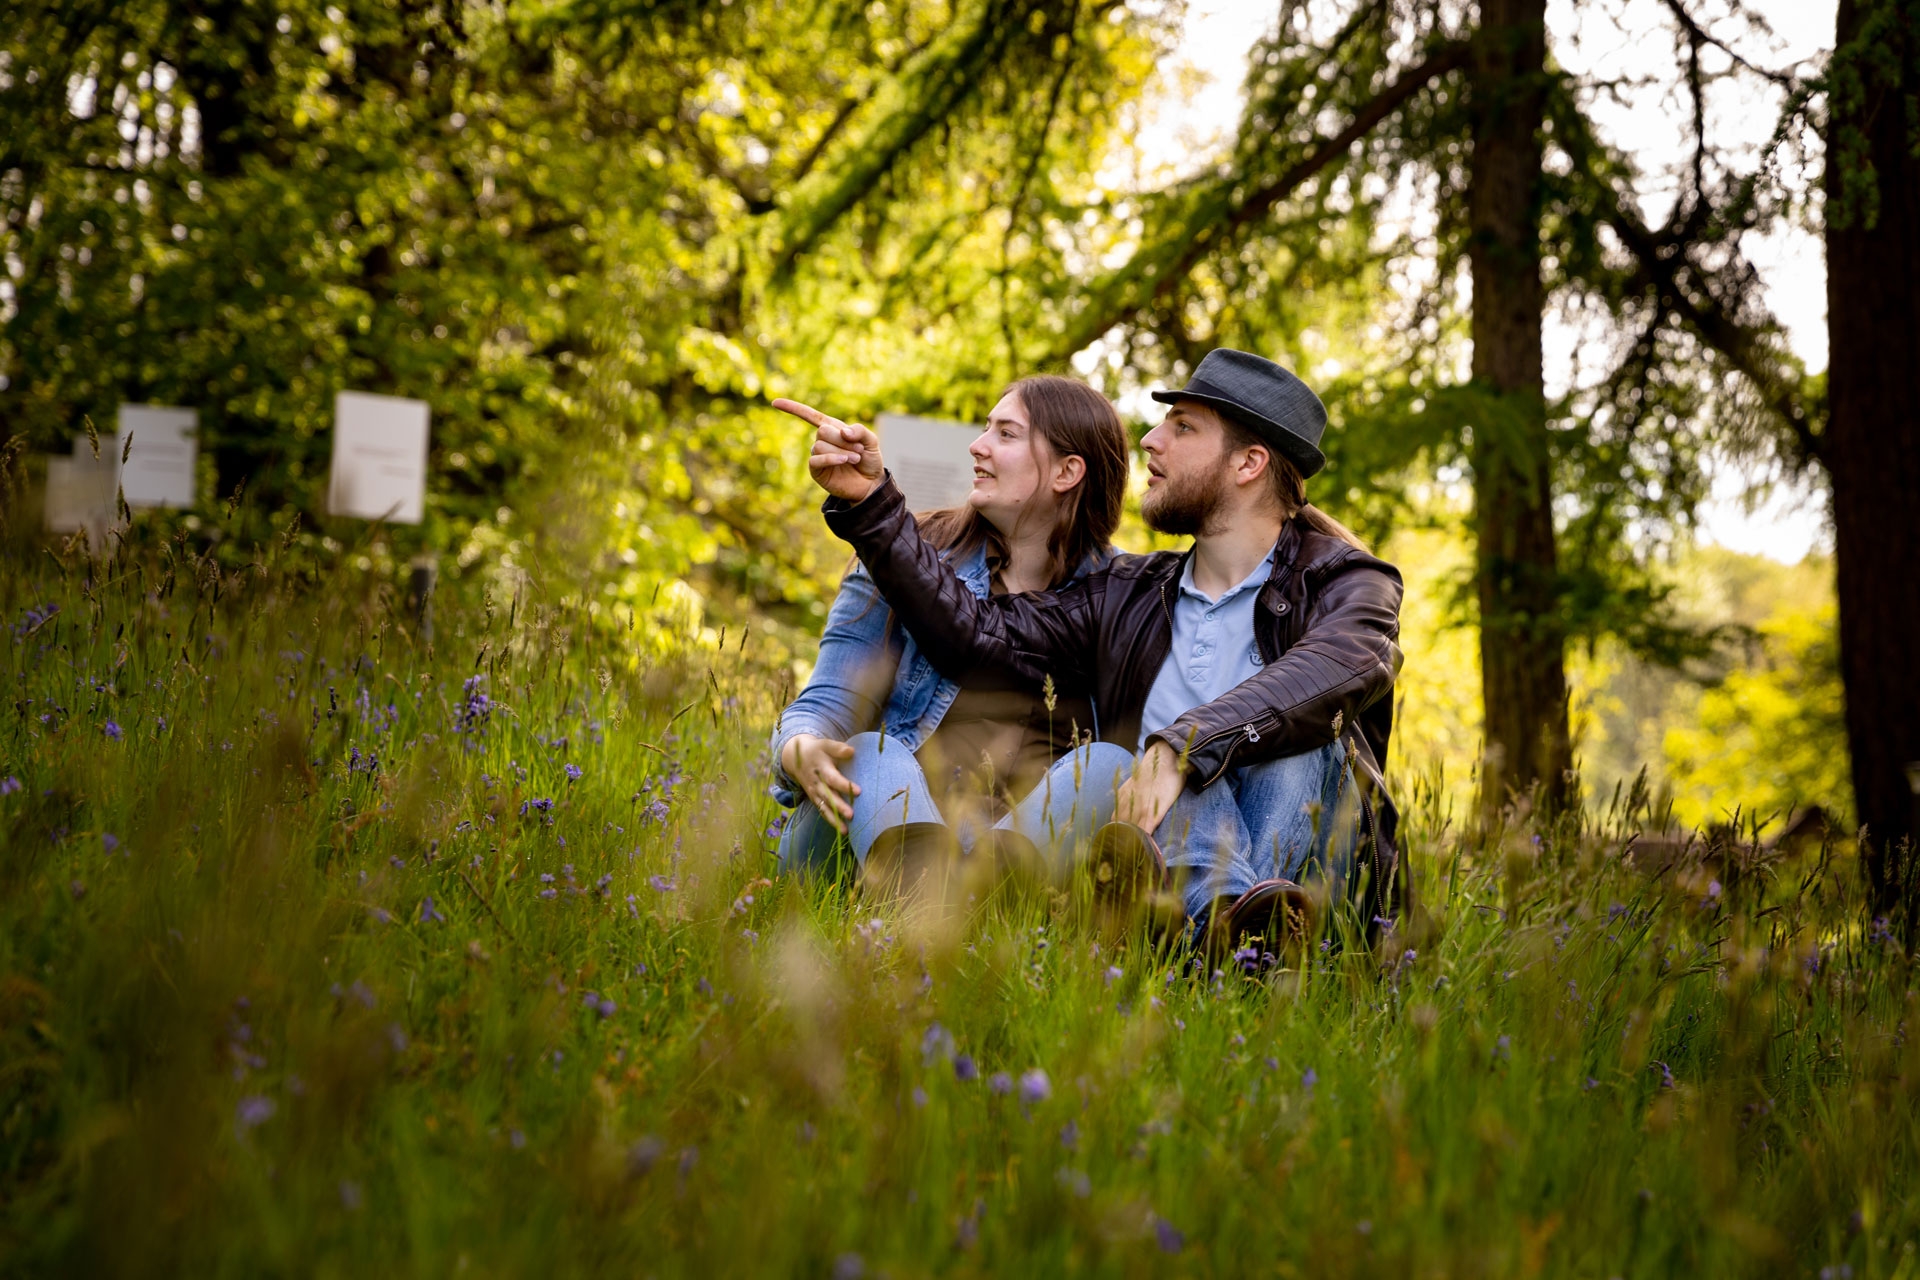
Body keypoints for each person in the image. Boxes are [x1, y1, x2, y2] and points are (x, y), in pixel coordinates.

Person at [788, 349, 1407, 948]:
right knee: (1133, 757)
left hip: (1301, 868)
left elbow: (1342, 665)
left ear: (1247, 465)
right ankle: (1210, 943)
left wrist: (1184, 743)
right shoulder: (1126, 595)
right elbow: (976, 638)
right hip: (1161, 864)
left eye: (1182, 426)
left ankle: (1247, 932)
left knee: (1290, 733)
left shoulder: (1349, 582)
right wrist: (872, 506)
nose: (1150, 441)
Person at [769, 375, 1136, 892]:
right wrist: (798, 746)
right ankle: (926, 903)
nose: (976, 444)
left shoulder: (1122, 596)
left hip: (1012, 858)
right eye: (986, 427)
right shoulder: (905, 554)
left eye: (1005, 434)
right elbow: (829, 702)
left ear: (1067, 471)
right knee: (875, 755)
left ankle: (974, 905)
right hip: (865, 848)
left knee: (1110, 765)